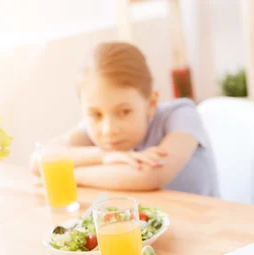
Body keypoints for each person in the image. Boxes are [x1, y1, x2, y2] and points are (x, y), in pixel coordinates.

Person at [30, 41, 220, 197]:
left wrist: (63, 173)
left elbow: (150, 176)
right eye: (96, 114)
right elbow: (39, 161)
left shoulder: (181, 114)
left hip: (208, 228)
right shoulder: (96, 125)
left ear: (151, 103)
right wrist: (103, 156)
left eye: (124, 112)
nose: (108, 129)